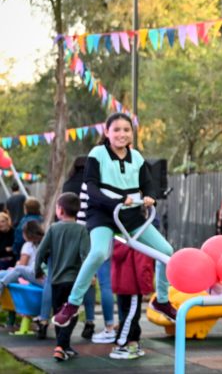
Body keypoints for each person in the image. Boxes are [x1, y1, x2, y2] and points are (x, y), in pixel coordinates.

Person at [52, 113, 177, 328]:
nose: (121, 134)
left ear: (132, 133)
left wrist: (150, 197)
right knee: (100, 252)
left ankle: (162, 301)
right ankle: (72, 304)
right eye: (116, 129)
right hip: (102, 215)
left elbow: (148, 184)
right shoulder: (98, 154)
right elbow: (91, 188)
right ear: (107, 133)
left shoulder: (136, 157)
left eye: (126, 130)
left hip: (131, 216)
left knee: (166, 251)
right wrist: (118, 201)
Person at [62, 156, 115, 343]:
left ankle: (88, 320)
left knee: (86, 280)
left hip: (81, 234)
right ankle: (109, 324)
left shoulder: (68, 185)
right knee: (105, 282)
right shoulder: (100, 182)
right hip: (102, 231)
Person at [34, 193, 89, 362]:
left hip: (56, 280)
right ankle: (61, 346)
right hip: (75, 281)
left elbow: (41, 252)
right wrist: (89, 276)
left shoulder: (53, 229)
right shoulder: (81, 230)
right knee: (71, 314)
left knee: (59, 314)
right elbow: (85, 255)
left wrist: (38, 270)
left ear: (61, 210)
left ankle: (62, 346)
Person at [108, 241, 154, 360]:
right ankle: (123, 344)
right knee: (131, 316)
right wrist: (146, 288)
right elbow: (143, 266)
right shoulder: (138, 242)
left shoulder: (118, 240)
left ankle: (133, 342)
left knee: (126, 314)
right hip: (132, 285)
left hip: (121, 283)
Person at [0, 219, 45, 294]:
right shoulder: (41, 243)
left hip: (35, 276)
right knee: (4, 272)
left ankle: (1, 285)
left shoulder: (28, 246)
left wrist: (17, 264)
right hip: (37, 275)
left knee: (14, 270)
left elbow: (22, 266)